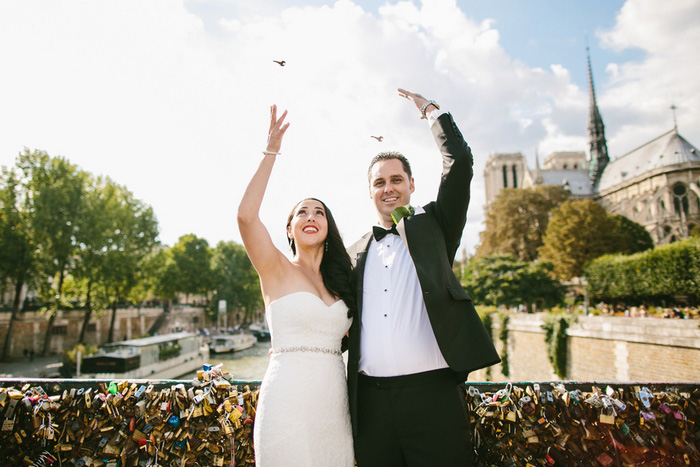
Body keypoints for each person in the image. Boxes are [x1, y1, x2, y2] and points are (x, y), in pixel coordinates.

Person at [346, 89, 501, 466]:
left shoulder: (436, 227)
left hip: (434, 397)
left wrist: (432, 113)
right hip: (369, 403)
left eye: (396, 180)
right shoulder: (353, 252)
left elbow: (459, 162)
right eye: (379, 183)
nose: (389, 189)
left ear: (411, 185)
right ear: (369, 192)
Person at [238, 105, 356, 467]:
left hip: (335, 407)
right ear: (289, 229)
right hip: (285, 404)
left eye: (319, 212)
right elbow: (245, 216)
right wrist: (270, 151)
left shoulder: (343, 282)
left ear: (327, 227)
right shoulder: (274, 268)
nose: (311, 216)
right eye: (302, 212)